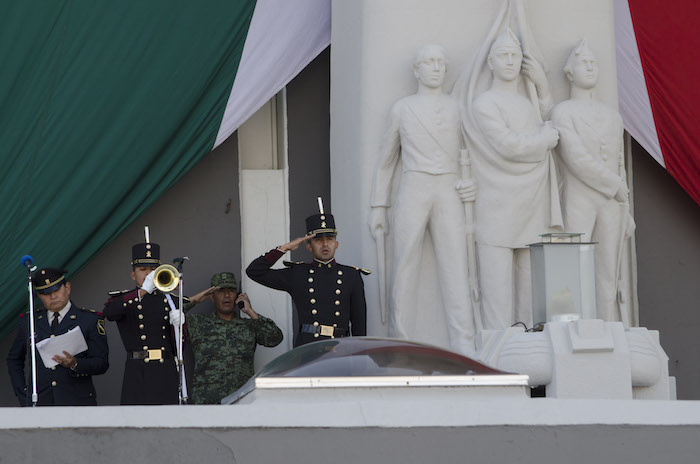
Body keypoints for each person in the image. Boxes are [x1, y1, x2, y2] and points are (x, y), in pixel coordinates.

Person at [368, 44, 477, 356]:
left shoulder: (458, 107)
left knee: (456, 264)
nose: (436, 67)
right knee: (404, 263)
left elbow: (472, 152)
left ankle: (463, 341)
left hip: (448, 186)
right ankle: (400, 338)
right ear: (417, 69)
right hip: (414, 185)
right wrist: (379, 205)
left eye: (441, 62)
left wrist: (472, 183)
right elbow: (386, 160)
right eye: (429, 62)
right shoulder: (402, 108)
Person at [466, 27, 562, 329]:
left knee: (529, 293)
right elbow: (508, 146)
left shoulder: (527, 103)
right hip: (497, 203)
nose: (509, 61)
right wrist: (542, 141)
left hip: (531, 198)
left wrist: (543, 87)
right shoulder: (485, 103)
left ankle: (528, 350)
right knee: (497, 295)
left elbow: (555, 126)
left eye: (514, 55)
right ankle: (498, 353)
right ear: (490, 62)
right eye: (503, 55)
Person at [551, 39, 635, 322]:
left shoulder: (613, 117)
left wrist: (627, 208)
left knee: (608, 272)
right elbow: (576, 160)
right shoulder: (563, 112)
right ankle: (577, 327)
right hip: (580, 200)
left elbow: (620, 162)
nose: (590, 66)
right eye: (583, 63)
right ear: (570, 72)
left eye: (593, 63)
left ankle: (608, 325)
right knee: (575, 267)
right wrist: (615, 186)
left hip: (612, 204)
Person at [246, 212, 368, 347]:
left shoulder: (351, 275)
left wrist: (358, 357)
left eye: (330, 239)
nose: (325, 244)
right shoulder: (298, 274)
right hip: (308, 348)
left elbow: (359, 325)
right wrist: (284, 248)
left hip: (340, 348)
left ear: (336, 244)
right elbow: (254, 271)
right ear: (309, 246)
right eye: (318, 240)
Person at [7, 268, 109, 406]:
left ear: (67, 288)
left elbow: (101, 363)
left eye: (56, 290)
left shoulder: (89, 319)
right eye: (46, 293)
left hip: (77, 402)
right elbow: (14, 359)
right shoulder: (30, 321)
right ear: (39, 295)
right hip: (41, 401)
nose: (53, 297)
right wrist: (23, 392)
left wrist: (75, 363)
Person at [176, 272, 283, 404]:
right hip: (207, 402)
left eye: (231, 291)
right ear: (212, 297)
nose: (226, 296)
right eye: (221, 291)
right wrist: (196, 299)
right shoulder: (198, 323)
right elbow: (168, 313)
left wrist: (250, 311)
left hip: (241, 400)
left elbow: (274, 338)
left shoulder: (249, 325)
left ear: (237, 296)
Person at [102, 241, 179, 405]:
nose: (148, 274)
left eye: (152, 270)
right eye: (142, 270)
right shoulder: (126, 298)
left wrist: (180, 325)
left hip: (164, 369)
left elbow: (181, 344)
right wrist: (142, 291)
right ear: (133, 274)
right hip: (137, 370)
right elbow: (109, 313)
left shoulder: (169, 299)